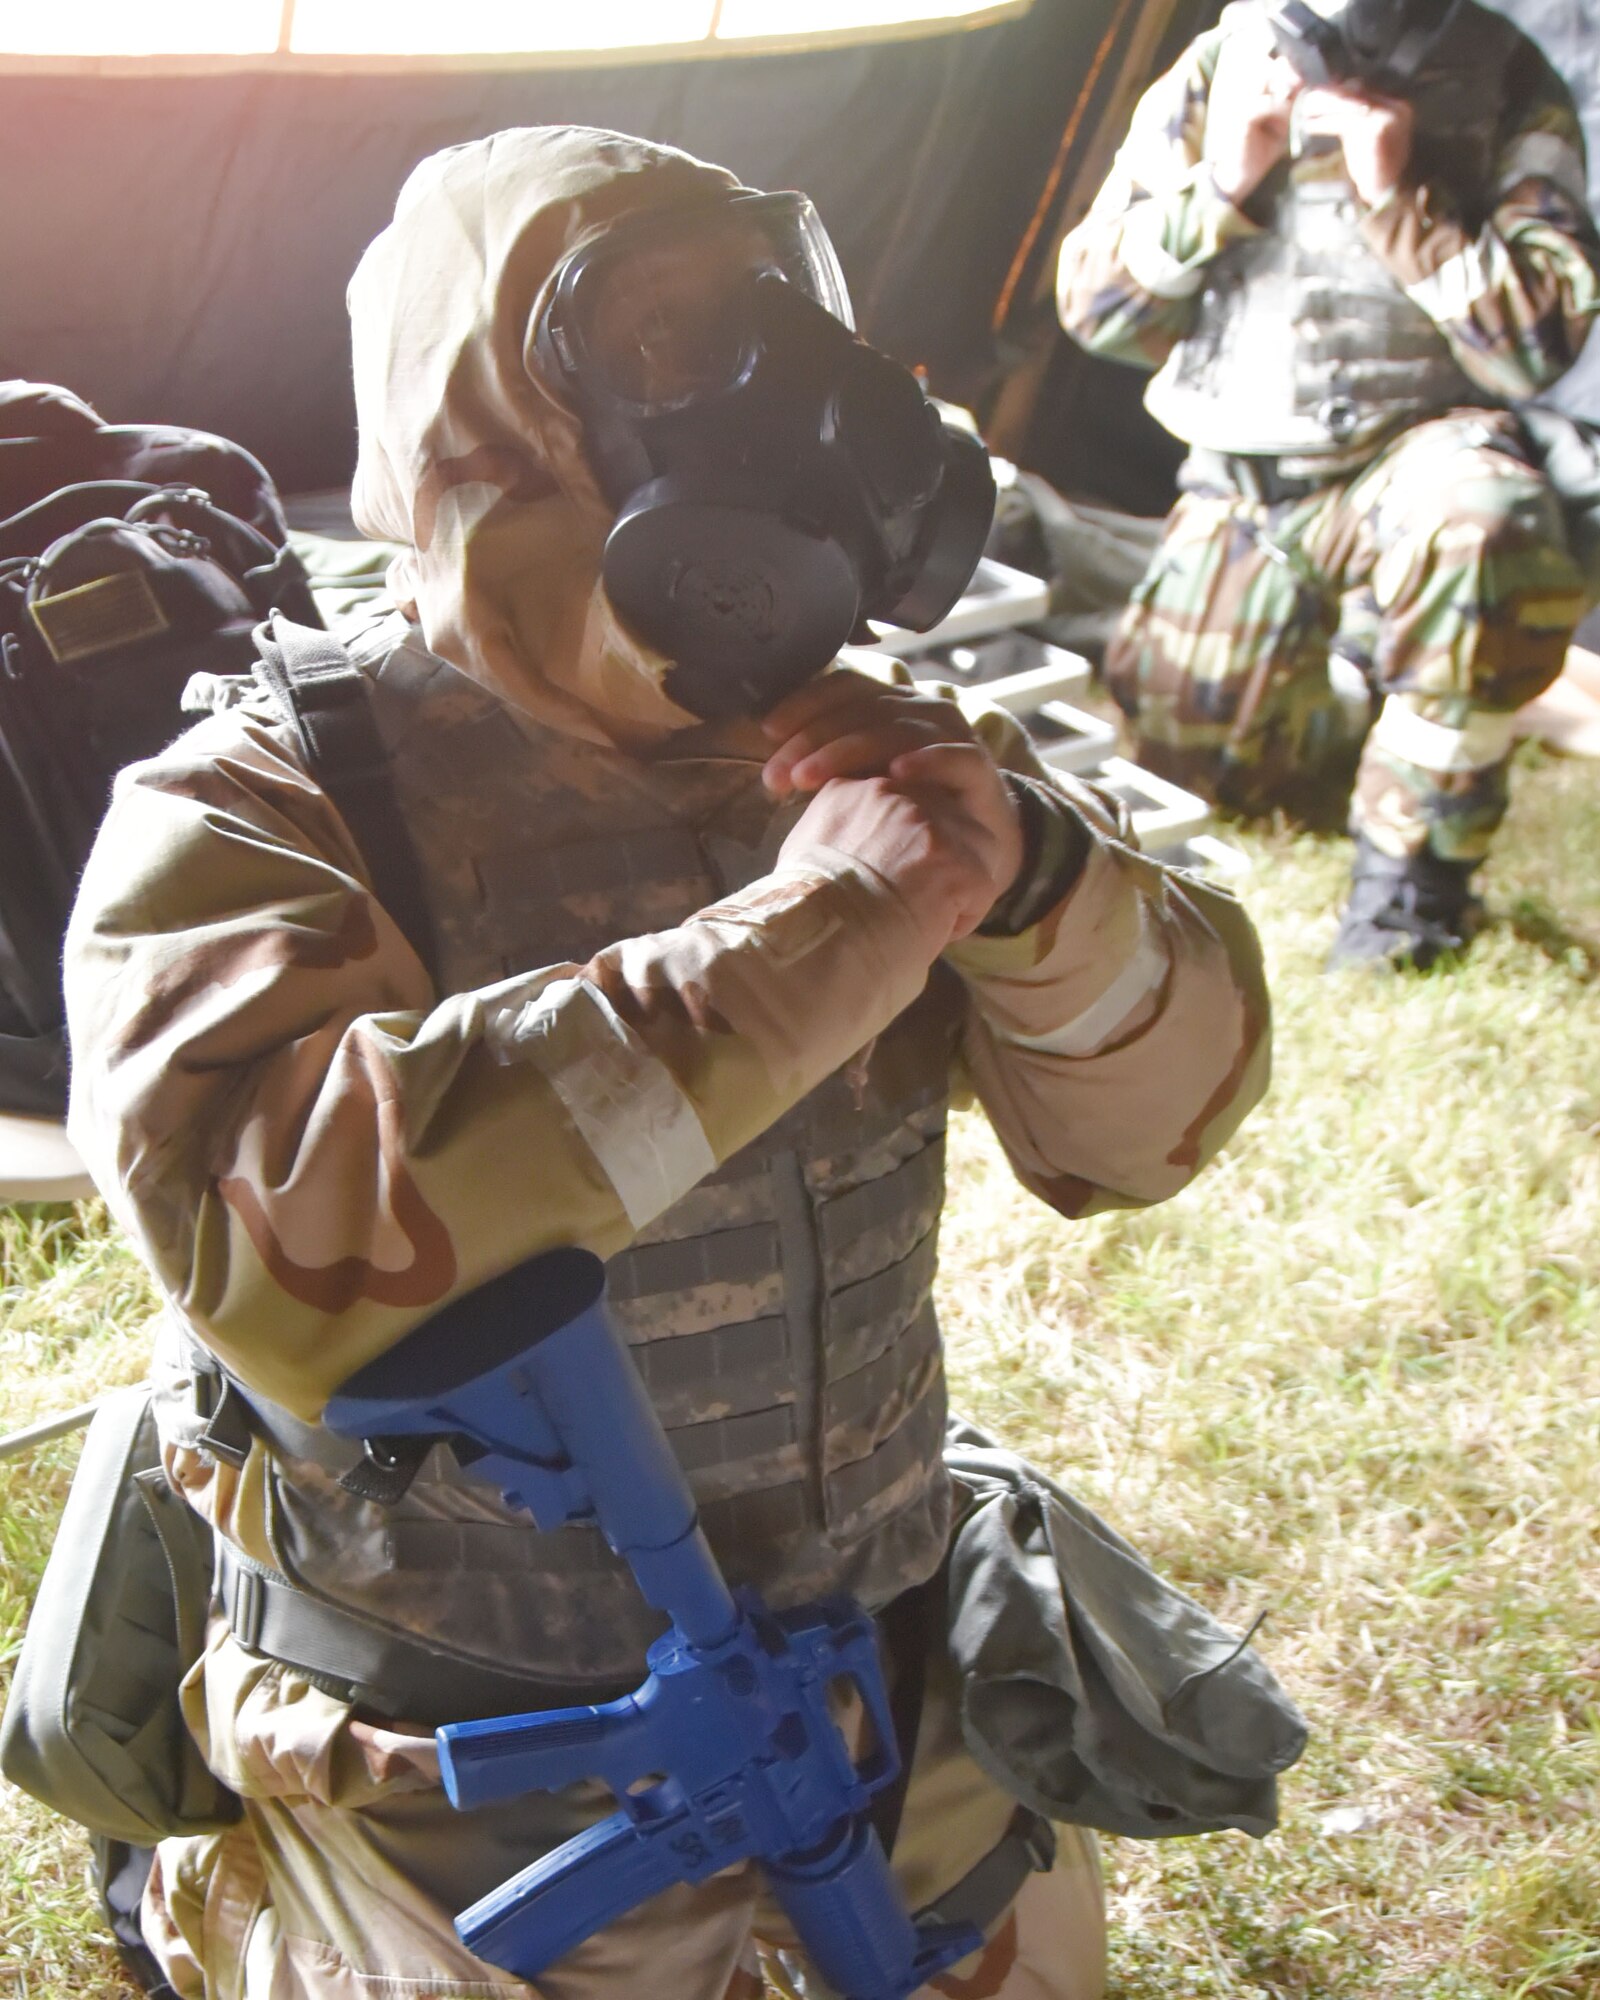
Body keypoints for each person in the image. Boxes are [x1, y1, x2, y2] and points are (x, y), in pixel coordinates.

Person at [62, 128, 1277, 1999]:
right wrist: (812, 942)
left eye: (766, 324)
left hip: (870, 1701)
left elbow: (1155, 1132)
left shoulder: (858, 752)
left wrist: (1036, 883)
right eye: (660, 339)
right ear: (489, 407)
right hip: (464, 1755)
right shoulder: (266, 795)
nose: (763, 400)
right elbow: (274, 1251)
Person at [1056, 0, 1600, 968]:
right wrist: (1224, 179)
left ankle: (1409, 898)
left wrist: (1403, 197)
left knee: (1487, 524)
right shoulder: (1220, 65)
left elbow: (1539, 343)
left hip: (1421, 453)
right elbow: (1092, 308)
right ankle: (1369, 681)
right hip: (1250, 482)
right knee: (1210, 768)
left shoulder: (1503, 72)